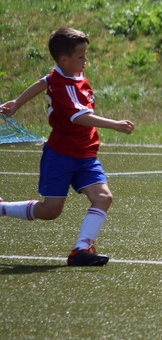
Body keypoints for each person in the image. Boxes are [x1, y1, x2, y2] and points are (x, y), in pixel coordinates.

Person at [0, 27, 135, 266]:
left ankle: (81, 250)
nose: (85, 61)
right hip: (61, 155)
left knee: (103, 197)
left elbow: (43, 81)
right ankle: (2, 208)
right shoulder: (67, 86)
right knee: (51, 211)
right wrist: (114, 124)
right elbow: (78, 117)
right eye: (81, 56)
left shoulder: (68, 75)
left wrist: (17, 103)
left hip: (86, 155)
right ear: (64, 59)